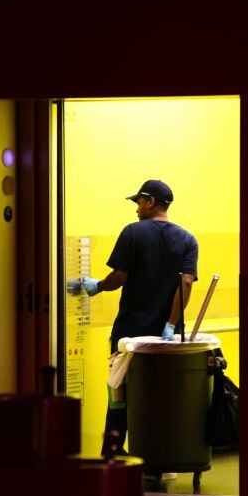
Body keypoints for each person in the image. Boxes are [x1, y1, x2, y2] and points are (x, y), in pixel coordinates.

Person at [82, 179, 199, 458]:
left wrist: (96, 286)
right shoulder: (187, 239)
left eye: (138, 202)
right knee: (162, 395)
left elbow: (119, 278)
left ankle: (112, 454)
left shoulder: (132, 233)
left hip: (129, 334)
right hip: (166, 339)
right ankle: (158, 453)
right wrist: (170, 324)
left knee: (119, 395)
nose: (136, 209)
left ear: (150, 202)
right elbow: (186, 284)